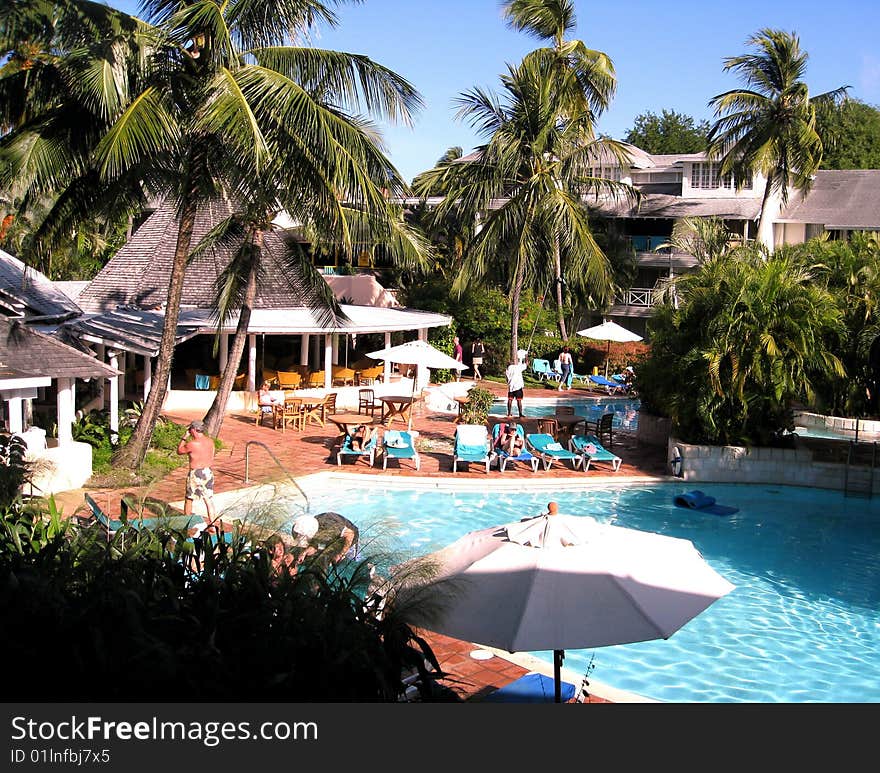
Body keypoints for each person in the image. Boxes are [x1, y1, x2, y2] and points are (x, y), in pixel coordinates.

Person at [176, 419, 217, 530]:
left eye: (190, 429)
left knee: (189, 498)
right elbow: (212, 455)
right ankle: (212, 524)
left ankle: (186, 522)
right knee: (208, 499)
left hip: (196, 473)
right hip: (208, 471)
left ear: (193, 430)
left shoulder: (192, 444)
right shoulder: (210, 442)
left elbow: (179, 451)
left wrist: (184, 437)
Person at [292, 512, 359, 565]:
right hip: (330, 536)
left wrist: (341, 554)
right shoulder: (307, 524)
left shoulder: (332, 528)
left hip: (350, 537)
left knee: (346, 561)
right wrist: (305, 552)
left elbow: (350, 534)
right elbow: (316, 545)